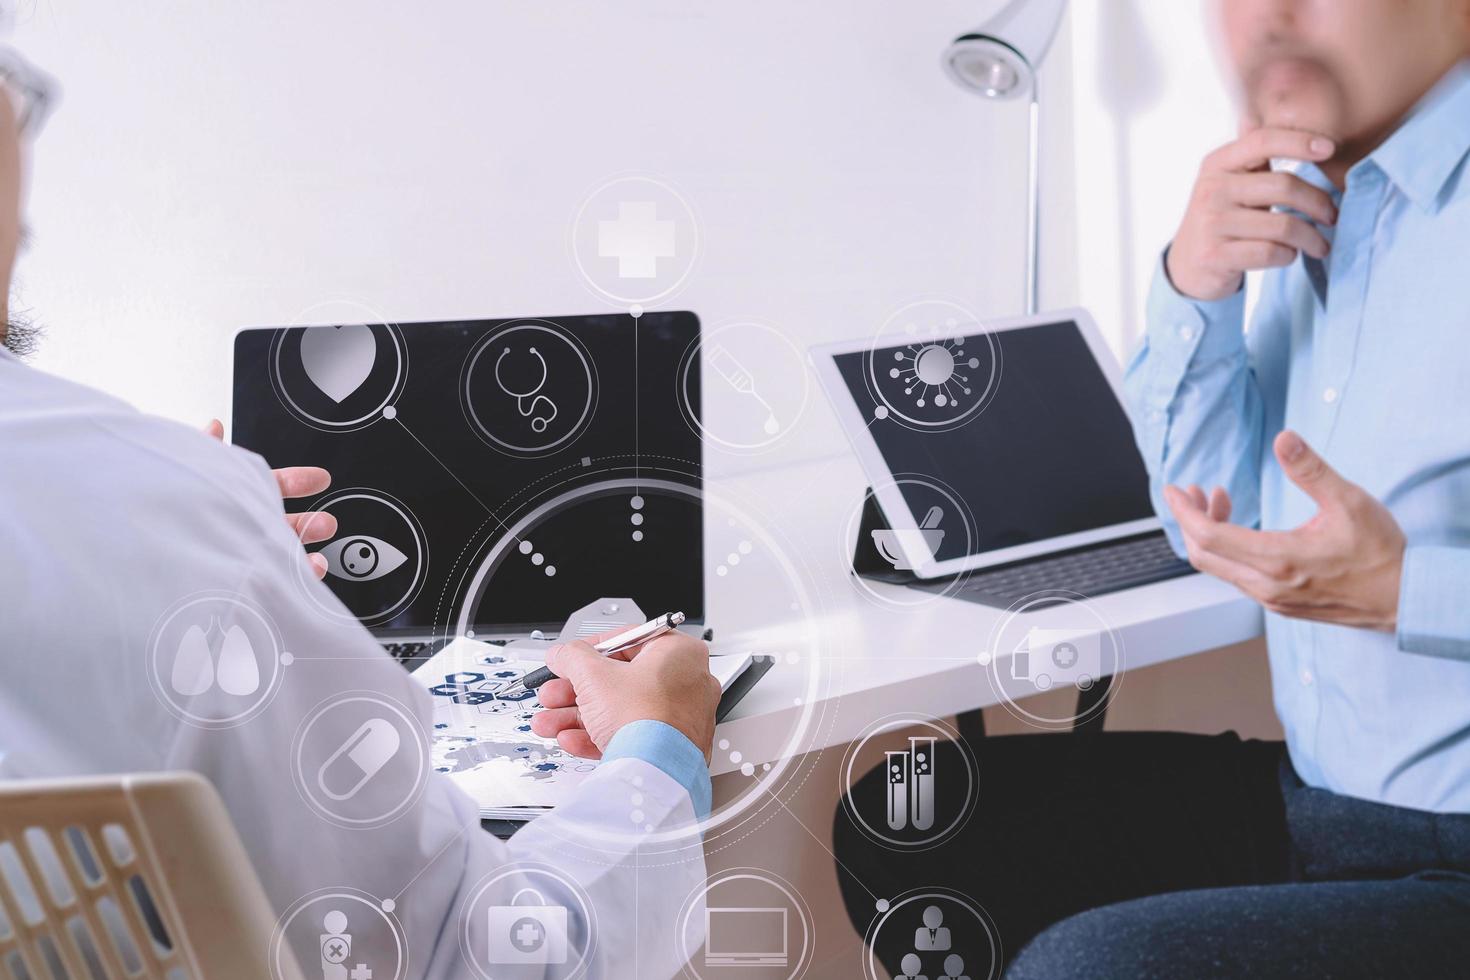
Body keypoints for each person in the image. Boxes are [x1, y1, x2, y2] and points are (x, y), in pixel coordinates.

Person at [0, 43, 721, 979]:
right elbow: (484, 956)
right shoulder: (160, 511)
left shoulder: (148, 511)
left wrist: (197, 549)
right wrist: (663, 753)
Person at [836, 2, 1470, 977]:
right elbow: (1209, 507)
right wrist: (1196, 286)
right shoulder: (1330, 199)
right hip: (1322, 802)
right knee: (912, 816)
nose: (1270, 17)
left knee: (1086, 965)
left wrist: (1405, 592)